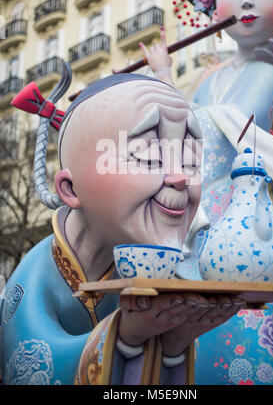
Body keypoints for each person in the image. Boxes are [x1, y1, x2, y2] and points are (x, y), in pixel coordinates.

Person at [0, 70, 246, 385]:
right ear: (71, 190)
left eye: (190, 161)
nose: (180, 177)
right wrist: (127, 335)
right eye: (147, 155)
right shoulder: (34, 278)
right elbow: (28, 364)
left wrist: (173, 344)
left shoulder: (156, 268)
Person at [140, 0, 273, 385]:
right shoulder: (210, 76)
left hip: (238, 212)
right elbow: (186, 131)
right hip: (194, 209)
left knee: (238, 324)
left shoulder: (267, 71)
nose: (246, 1)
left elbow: (221, 126)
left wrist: (167, 83)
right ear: (215, 10)